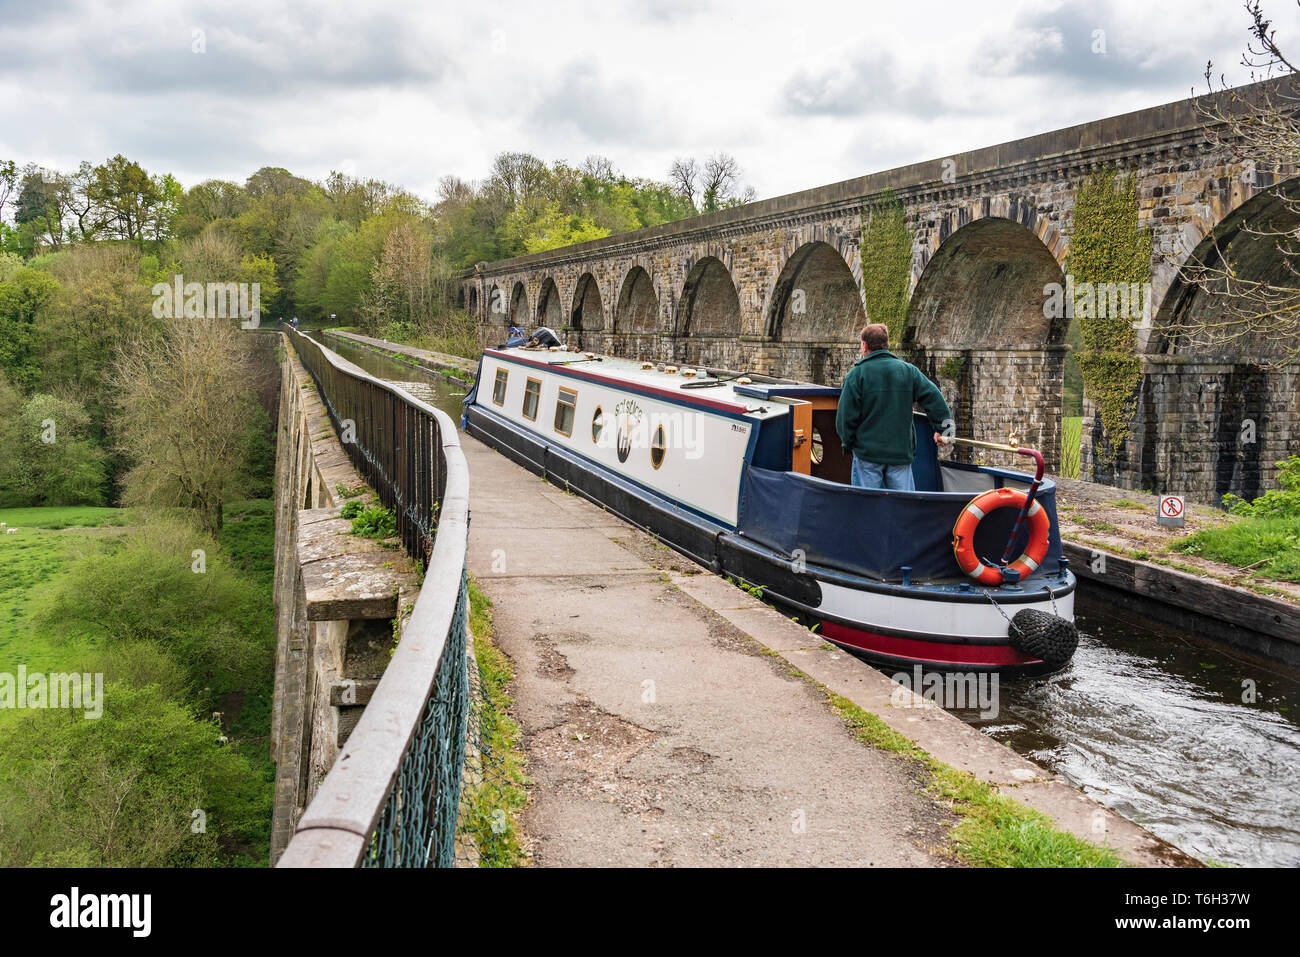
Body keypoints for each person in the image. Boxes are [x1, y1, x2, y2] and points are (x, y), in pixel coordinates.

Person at [835, 323, 952, 490]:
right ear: (886, 344)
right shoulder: (908, 371)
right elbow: (935, 398)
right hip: (900, 453)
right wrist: (945, 431)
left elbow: (845, 417)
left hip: (868, 454)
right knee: (903, 505)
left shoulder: (857, 374)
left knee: (867, 505)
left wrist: (848, 444)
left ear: (864, 345)